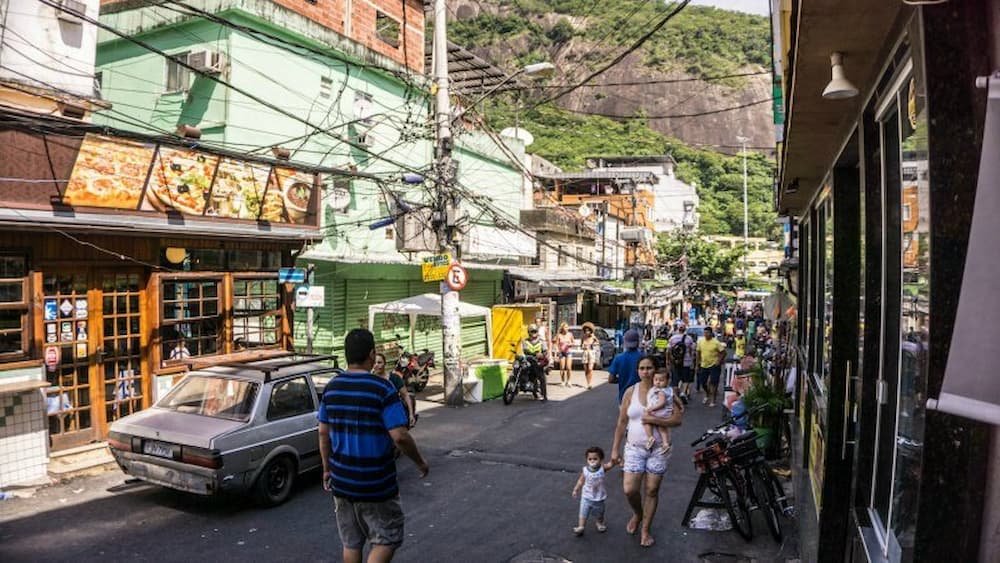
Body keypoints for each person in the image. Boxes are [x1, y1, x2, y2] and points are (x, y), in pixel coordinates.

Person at [318, 329, 429, 563]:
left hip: (342, 481)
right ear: (371, 355)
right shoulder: (382, 388)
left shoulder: (332, 387)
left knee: (351, 542)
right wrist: (420, 462)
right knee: (386, 539)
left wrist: (327, 469)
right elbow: (400, 436)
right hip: (376, 482)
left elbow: (323, 433)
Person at [610, 356, 683, 548]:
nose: (645, 372)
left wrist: (654, 421)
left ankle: (645, 529)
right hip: (634, 448)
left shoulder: (666, 391)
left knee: (651, 490)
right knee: (630, 490)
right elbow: (622, 422)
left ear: (655, 369)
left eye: (649, 368)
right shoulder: (630, 392)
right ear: (638, 371)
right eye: (642, 368)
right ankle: (638, 513)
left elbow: (677, 420)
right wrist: (615, 450)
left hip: (659, 449)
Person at [571, 446, 617, 536]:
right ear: (587, 460)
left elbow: (610, 464)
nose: (592, 461)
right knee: (583, 512)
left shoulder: (602, 468)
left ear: (601, 459)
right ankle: (581, 526)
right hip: (586, 496)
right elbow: (581, 480)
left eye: (595, 459)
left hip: (599, 497)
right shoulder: (585, 470)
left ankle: (599, 523)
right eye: (590, 459)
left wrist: (615, 461)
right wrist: (576, 489)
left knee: (600, 513)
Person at [642, 370, 682, 454]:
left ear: (667, 381)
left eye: (661, 380)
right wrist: (680, 406)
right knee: (662, 428)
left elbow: (661, 403)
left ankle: (650, 437)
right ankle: (665, 443)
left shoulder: (660, 391)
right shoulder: (670, 390)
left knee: (645, 420)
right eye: (656, 380)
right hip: (667, 413)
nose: (658, 382)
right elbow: (676, 399)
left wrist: (651, 408)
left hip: (659, 411)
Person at [374, 353, 416, 428]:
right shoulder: (370, 380)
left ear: (385, 363)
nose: (376, 365)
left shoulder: (394, 378)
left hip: (394, 418)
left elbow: (406, 395)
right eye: (374, 363)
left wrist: (411, 414)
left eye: (379, 362)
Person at [695, 326, 728, 408]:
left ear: (711, 333)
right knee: (703, 382)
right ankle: (707, 394)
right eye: (705, 333)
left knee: (713, 382)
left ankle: (713, 400)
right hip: (704, 365)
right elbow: (698, 353)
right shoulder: (701, 342)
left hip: (714, 365)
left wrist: (719, 361)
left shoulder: (716, 342)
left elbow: (723, 352)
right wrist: (697, 364)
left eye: (707, 333)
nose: (706, 334)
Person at [608, 329, 642, 402]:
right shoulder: (644, 357)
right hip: (640, 398)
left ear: (625, 342)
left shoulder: (618, 358)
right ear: (638, 342)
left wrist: (621, 380)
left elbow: (611, 379)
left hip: (624, 397)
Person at [667, 324, 695, 404]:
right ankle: (683, 393)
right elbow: (691, 350)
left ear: (678, 329)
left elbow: (668, 350)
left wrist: (668, 361)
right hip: (686, 362)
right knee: (686, 379)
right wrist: (691, 360)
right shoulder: (689, 338)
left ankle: (676, 398)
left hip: (675, 362)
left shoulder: (672, 338)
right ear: (685, 329)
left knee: (675, 380)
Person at [555, 323, 575, 387]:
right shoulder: (559, 335)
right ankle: (562, 381)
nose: (566, 328)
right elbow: (556, 344)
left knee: (568, 367)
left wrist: (570, 344)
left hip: (568, 352)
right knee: (562, 368)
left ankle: (569, 381)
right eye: (565, 327)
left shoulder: (570, 334)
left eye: (567, 327)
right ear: (562, 328)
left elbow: (573, 342)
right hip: (561, 352)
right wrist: (557, 351)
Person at [580, 322, 599, 389]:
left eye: (588, 330)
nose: (587, 332)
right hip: (585, 353)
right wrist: (583, 347)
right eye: (586, 330)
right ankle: (587, 382)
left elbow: (597, 343)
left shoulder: (593, 337)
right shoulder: (583, 337)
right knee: (586, 369)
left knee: (590, 369)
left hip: (591, 353)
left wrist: (593, 344)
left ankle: (590, 383)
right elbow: (581, 345)